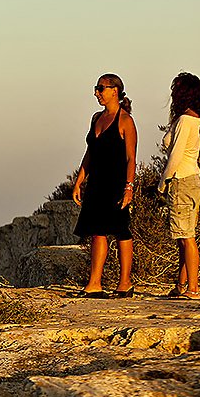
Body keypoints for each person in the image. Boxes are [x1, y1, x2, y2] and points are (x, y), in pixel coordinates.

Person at [72, 73, 137, 297]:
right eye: (96, 88)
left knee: (120, 230)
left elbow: (131, 158)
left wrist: (129, 187)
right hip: (96, 183)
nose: (96, 93)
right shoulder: (96, 118)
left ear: (114, 91)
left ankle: (125, 283)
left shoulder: (125, 120)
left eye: (101, 88)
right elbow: (90, 153)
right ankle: (94, 283)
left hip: (116, 183)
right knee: (96, 232)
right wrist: (79, 181)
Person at [161, 72, 200, 299]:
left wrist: (163, 182)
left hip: (182, 180)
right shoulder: (195, 120)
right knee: (183, 235)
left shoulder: (185, 121)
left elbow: (176, 156)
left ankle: (193, 288)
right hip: (193, 179)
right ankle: (181, 285)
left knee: (187, 237)